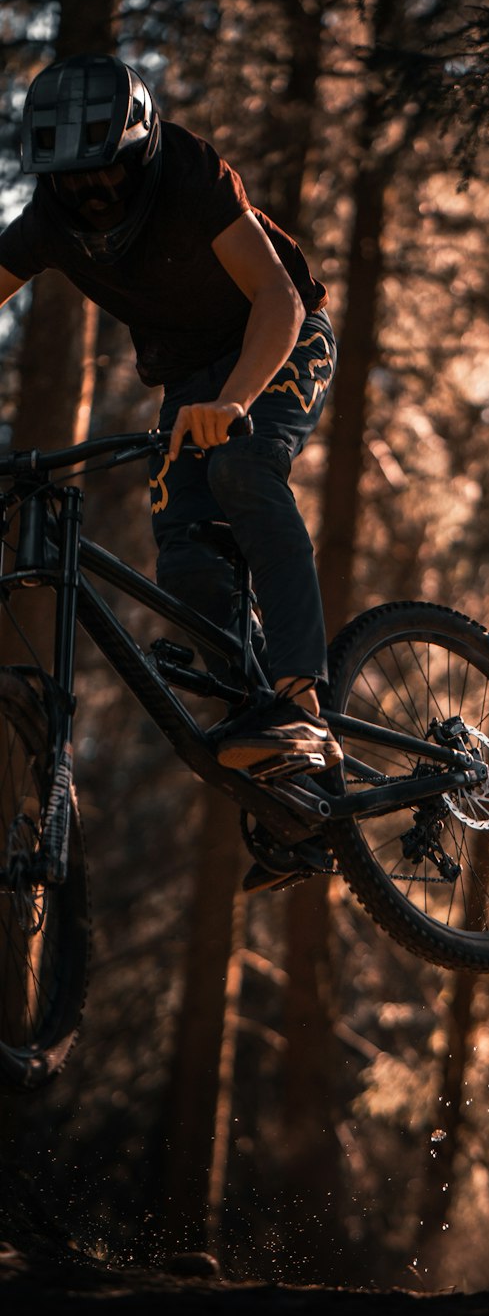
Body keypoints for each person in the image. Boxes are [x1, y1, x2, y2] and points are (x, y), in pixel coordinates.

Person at [0, 52, 341, 786]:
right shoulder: (48, 226)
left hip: (277, 341)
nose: (93, 195)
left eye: (107, 173)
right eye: (72, 181)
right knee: (187, 558)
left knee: (242, 468)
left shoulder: (191, 176)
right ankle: (292, 793)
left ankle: (303, 705)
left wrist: (237, 401)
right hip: (190, 383)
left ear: (140, 150)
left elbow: (277, 299)